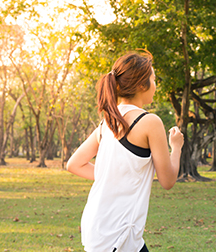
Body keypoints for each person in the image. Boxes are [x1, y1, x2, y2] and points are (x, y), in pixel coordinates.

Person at [67, 51, 184, 252]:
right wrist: (177, 147)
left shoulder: (107, 122)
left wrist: (112, 176)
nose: (156, 86)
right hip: (118, 233)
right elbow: (168, 181)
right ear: (141, 84)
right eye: (153, 80)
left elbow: (74, 164)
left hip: (98, 225)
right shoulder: (150, 122)